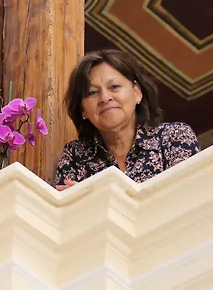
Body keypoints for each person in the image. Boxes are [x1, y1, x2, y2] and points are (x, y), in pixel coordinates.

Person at [55, 49, 199, 190]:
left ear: (137, 92)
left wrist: (94, 198)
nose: (105, 98)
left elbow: (185, 194)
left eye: (114, 87)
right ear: (83, 109)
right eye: (92, 92)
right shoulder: (75, 156)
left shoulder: (174, 137)